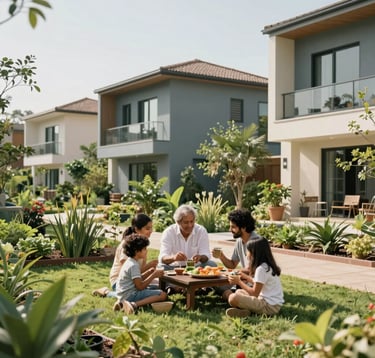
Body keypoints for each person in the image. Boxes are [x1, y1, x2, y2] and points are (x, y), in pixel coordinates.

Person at [92, 213, 157, 298]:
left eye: (151, 228)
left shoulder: (142, 246)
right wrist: (149, 266)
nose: (151, 231)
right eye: (147, 228)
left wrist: (151, 272)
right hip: (121, 281)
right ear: (137, 229)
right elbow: (128, 272)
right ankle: (106, 292)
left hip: (135, 279)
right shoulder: (127, 245)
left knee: (156, 286)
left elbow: (140, 272)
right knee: (132, 294)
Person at [225, 236, 284, 318]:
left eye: (248, 251)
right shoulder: (266, 266)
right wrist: (245, 276)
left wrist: (239, 282)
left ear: (254, 253)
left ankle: (246, 311)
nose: (246, 253)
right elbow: (258, 283)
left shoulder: (261, 269)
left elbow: (254, 293)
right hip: (272, 304)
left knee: (232, 297)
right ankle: (246, 312)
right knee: (239, 292)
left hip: (269, 307)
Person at [114, 233, 167, 314]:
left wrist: (148, 273)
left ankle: (122, 303)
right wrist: (153, 276)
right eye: (144, 249)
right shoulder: (134, 265)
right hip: (130, 295)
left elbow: (136, 280)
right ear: (136, 251)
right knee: (163, 295)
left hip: (123, 294)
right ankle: (133, 305)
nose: (146, 251)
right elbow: (140, 287)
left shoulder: (130, 261)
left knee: (153, 288)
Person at [212, 209, 259, 299]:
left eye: (233, 227)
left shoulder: (256, 242)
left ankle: (234, 297)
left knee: (221, 286)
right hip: (243, 280)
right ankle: (233, 296)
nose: (230, 230)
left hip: (254, 282)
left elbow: (251, 270)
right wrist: (221, 256)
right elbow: (232, 264)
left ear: (244, 227)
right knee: (216, 283)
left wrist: (232, 273)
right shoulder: (239, 241)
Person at [158, 204, 216, 269]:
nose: (190, 225)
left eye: (192, 221)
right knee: (161, 267)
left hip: (196, 267)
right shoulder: (169, 232)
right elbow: (162, 258)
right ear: (178, 222)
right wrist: (174, 258)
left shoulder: (201, 231)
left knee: (211, 264)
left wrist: (200, 257)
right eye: (186, 222)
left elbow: (206, 254)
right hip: (175, 268)